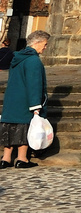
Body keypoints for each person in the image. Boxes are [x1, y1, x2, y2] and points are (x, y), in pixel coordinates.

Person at [0, 30, 49, 169]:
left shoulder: (16, 57)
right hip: (25, 101)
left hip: (11, 100)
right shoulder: (33, 60)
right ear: (37, 42)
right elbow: (34, 84)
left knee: (9, 128)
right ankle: (22, 159)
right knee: (24, 128)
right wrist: (36, 106)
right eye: (44, 44)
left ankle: (6, 158)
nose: (45, 48)